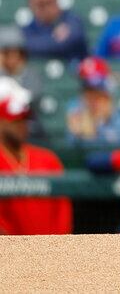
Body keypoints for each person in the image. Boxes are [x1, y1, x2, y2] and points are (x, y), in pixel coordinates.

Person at [0, 88, 73, 235]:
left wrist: (59, 243)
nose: (22, 126)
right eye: (15, 120)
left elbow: (63, 210)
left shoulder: (47, 159)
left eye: (24, 120)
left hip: (51, 246)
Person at [65, 57, 120, 146]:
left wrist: (98, 129)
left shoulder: (117, 117)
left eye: (97, 93)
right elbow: (70, 146)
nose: (93, 98)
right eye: (88, 92)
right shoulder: (76, 110)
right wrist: (79, 135)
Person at [22, 0, 88, 60]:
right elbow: (23, 46)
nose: (45, 8)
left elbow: (69, 41)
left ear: (57, 1)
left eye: (49, 2)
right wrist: (55, 38)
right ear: (31, 5)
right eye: (40, 4)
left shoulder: (72, 20)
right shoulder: (27, 29)